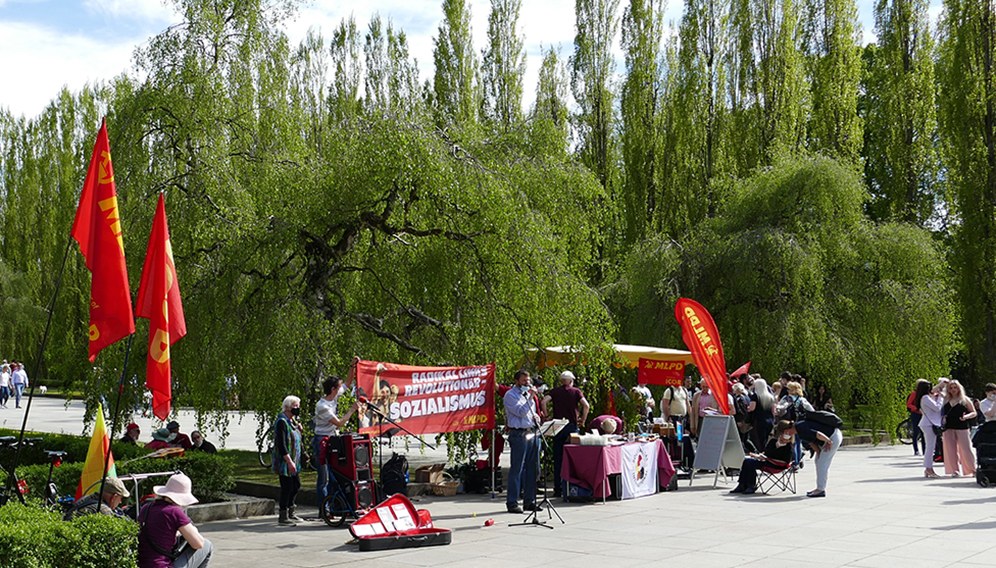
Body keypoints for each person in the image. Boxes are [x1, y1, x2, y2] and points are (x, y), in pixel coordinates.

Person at [137, 472, 213, 568]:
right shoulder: (174, 512)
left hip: (141, 564)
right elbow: (198, 544)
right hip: (161, 565)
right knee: (207, 545)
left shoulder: (146, 508)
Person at [542, 370, 589, 497]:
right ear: (571, 380)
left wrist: (546, 416)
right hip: (571, 427)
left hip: (557, 426)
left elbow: (543, 401)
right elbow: (586, 405)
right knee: (572, 458)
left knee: (558, 458)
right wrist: (583, 420)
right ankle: (570, 487)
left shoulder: (555, 391)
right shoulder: (576, 392)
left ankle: (558, 489)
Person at [314, 376, 358, 505]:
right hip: (321, 440)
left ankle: (334, 506)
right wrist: (352, 409)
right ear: (333, 389)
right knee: (324, 478)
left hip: (332, 438)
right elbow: (339, 423)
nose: (340, 390)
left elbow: (347, 384)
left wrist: (353, 366)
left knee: (335, 474)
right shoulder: (322, 406)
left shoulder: (334, 396)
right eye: (338, 387)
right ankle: (324, 508)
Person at [503, 370, 541, 514]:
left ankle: (529, 501)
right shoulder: (510, 395)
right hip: (518, 434)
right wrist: (531, 397)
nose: (528, 383)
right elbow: (520, 412)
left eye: (529, 380)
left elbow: (530, 413)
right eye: (524, 380)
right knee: (517, 469)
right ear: (517, 381)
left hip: (532, 433)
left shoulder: (527, 395)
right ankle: (512, 502)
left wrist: (536, 417)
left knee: (533, 468)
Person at [729, 420, 796, 495]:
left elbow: (787, 460)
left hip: (778, 466)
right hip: (767, 463)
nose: (787, 434)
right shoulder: (773, 441)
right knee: (747, 461)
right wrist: (761, 456)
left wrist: (781, 446)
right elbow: (767, 453)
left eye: (788, 433)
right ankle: (742, 484)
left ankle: (751, 485)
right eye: (785, 432)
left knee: (750, 463)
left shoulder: (789, 446)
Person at [795, 410, 843, 498]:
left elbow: (818, 434)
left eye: (785, 433)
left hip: (832, 438)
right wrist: (819, 453)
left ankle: (821, 489)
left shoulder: (800, 427)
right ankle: (819, 488)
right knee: (819, 461)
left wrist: (828, 441)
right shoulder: (799, 430)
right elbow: (811, 442)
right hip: (831, 437)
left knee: (822, 464)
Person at [273, 395, 304, 526]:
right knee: (287, 487)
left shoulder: (293, 422)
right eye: (295, 406)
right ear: (287, 407)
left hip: (294, 460)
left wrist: (300, 431)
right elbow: (282, 444)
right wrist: (289, 461)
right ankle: (283, 515)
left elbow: (297, 440)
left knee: (296, 485)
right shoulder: (282, 422)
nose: (297, 409)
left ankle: (291, 511)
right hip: (285, 461)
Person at [941, 379, 976, 478]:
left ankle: (971, 469)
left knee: (966, 449)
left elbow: (974, 412)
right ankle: (954, 470)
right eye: (951, 388)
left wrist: (966, 417)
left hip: (962, 427)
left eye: (955, 387)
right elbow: (934, 392)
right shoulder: (945, 399)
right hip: (948, 427)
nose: (953, 390)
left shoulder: (965, 399)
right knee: (950, 450)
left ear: (959, 388)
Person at [65, 476, 131, 520]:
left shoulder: (86, 498)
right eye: (120, 498)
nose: (120, 502)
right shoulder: (104, 510)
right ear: (114, 497)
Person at [914, 379, 943, 478]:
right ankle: (929, 469)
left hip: (927, 423)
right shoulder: (925, 398)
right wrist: (940, 397)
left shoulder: (923, 397)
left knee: (930, 447)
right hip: (929, 424)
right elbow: (937, 407)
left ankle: (928, 469)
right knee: (930, 448)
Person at [748, 378, 776, 451]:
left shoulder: (755, 396)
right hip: (770, 420)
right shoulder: (770, 397)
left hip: (759, 420)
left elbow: (752, 408)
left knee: (759, 440)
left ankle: (761, 453)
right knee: (767, 439)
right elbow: (774, 411)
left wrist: (747, 408)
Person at [906, 384, 925, 456]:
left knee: (924, 433)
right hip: (916, 414)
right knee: (916, 431)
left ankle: (924, 450)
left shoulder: (926, 395)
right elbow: (909, 404)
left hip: (923, 414)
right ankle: (916, 450)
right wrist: (916, 408)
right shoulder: (914, 394)